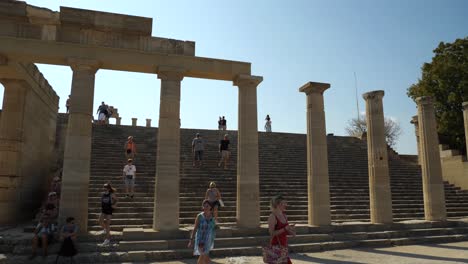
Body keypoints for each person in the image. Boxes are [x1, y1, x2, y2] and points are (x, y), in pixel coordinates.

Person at [267, 195, 296, 264]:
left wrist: (291, 231)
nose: (286, 205)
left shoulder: (284, 215)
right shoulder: (272, 216)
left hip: (283, 246)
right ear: (277, 204)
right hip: (276, 246)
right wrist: (285, 228)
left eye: (285, 203)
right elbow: (271, 233)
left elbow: (285, 231)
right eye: (283, 203)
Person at [187, 200, 216, 264]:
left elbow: (213, 228)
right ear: (202, 207)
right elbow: (195, 228)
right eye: (204, 206)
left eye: (207, 206)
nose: (205, 207)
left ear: (210, 207)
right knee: (204, 255)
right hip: (200, 239)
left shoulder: (212, 217)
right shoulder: (199, 216)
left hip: (208, 239)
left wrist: (212, 238)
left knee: (203, 256)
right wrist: (191, 240)